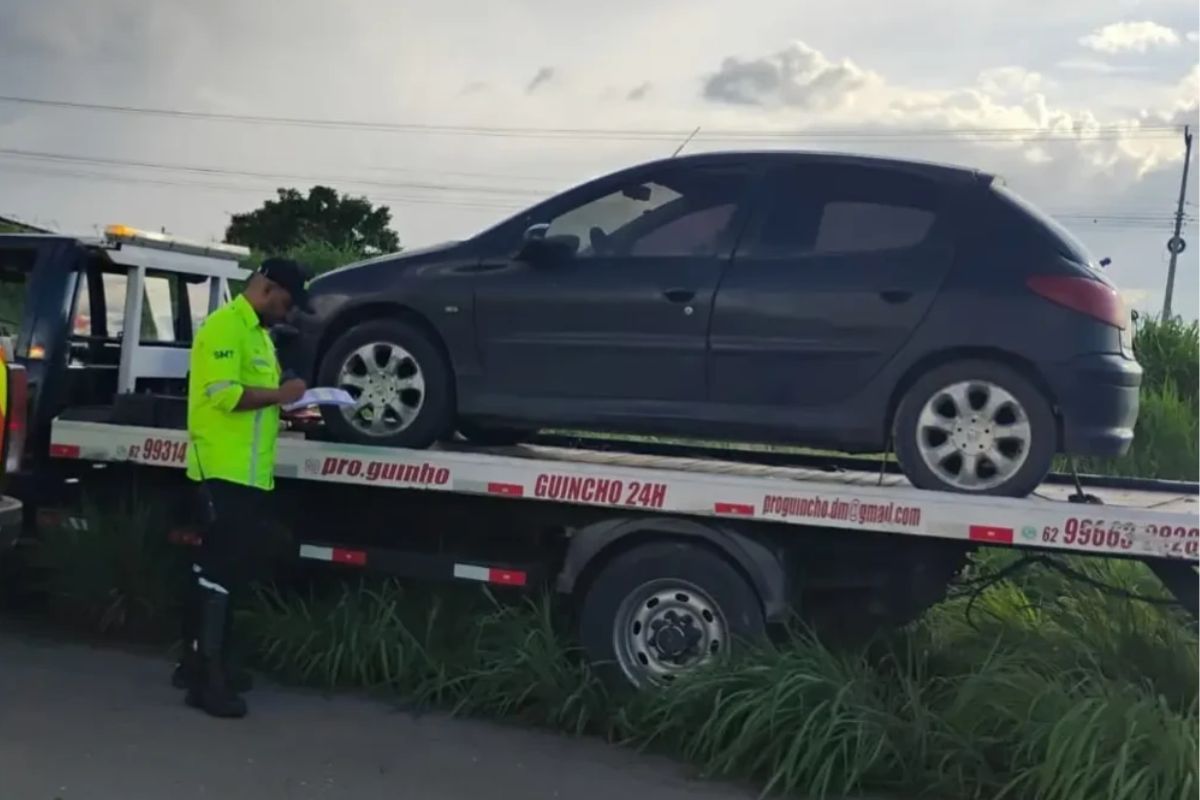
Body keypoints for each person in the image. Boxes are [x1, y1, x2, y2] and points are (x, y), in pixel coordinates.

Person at [174, 257, 309, 718]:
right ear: (266, 288)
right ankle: (206, 682)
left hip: (247, 473)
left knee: (225, 571)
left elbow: (257, 397)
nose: (288, 312)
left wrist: (286, 405)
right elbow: (225, 395)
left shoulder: (258, 334)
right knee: (218, 573)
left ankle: (202, 665)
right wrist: (281, 396)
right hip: (221, 471)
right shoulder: (225, 327)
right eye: (286, 303)